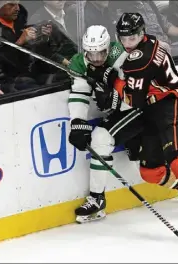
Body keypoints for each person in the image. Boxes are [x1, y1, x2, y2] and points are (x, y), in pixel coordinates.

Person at [84, 13, 178, 245]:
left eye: (133, 37)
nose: (128, 43)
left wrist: (109, 84)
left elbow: (132, 98)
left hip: (171, 107)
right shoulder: (150, 43)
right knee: (151, 172)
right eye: (124, 38)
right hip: (151, 112)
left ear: (142, 33)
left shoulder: (140, 58)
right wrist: (109, 76)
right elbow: (135, 84)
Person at [67, 25, 140, 223]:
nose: (97, 58)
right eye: (92, 54)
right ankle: (97, 198)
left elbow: (136, 87)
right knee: (101, 139)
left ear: (108, 48)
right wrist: (78, 122)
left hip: (140, 109)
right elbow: (80, 94)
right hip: (121, 115)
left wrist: (114, 95)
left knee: (152, 164)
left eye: (101, 53)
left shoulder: (120, 55)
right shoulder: (79, 64)